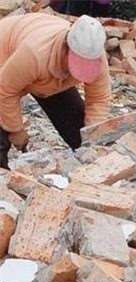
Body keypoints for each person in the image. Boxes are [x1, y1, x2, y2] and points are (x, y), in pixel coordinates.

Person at [0, 13, 111, 169]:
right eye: (78, 63)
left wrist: (92, 139)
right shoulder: (34, 53)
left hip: (50, 77)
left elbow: (98, 99)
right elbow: (4, 91)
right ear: (66, 47)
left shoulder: (96, 57)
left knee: (79, 132)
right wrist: (15, 130)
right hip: (6, 56)